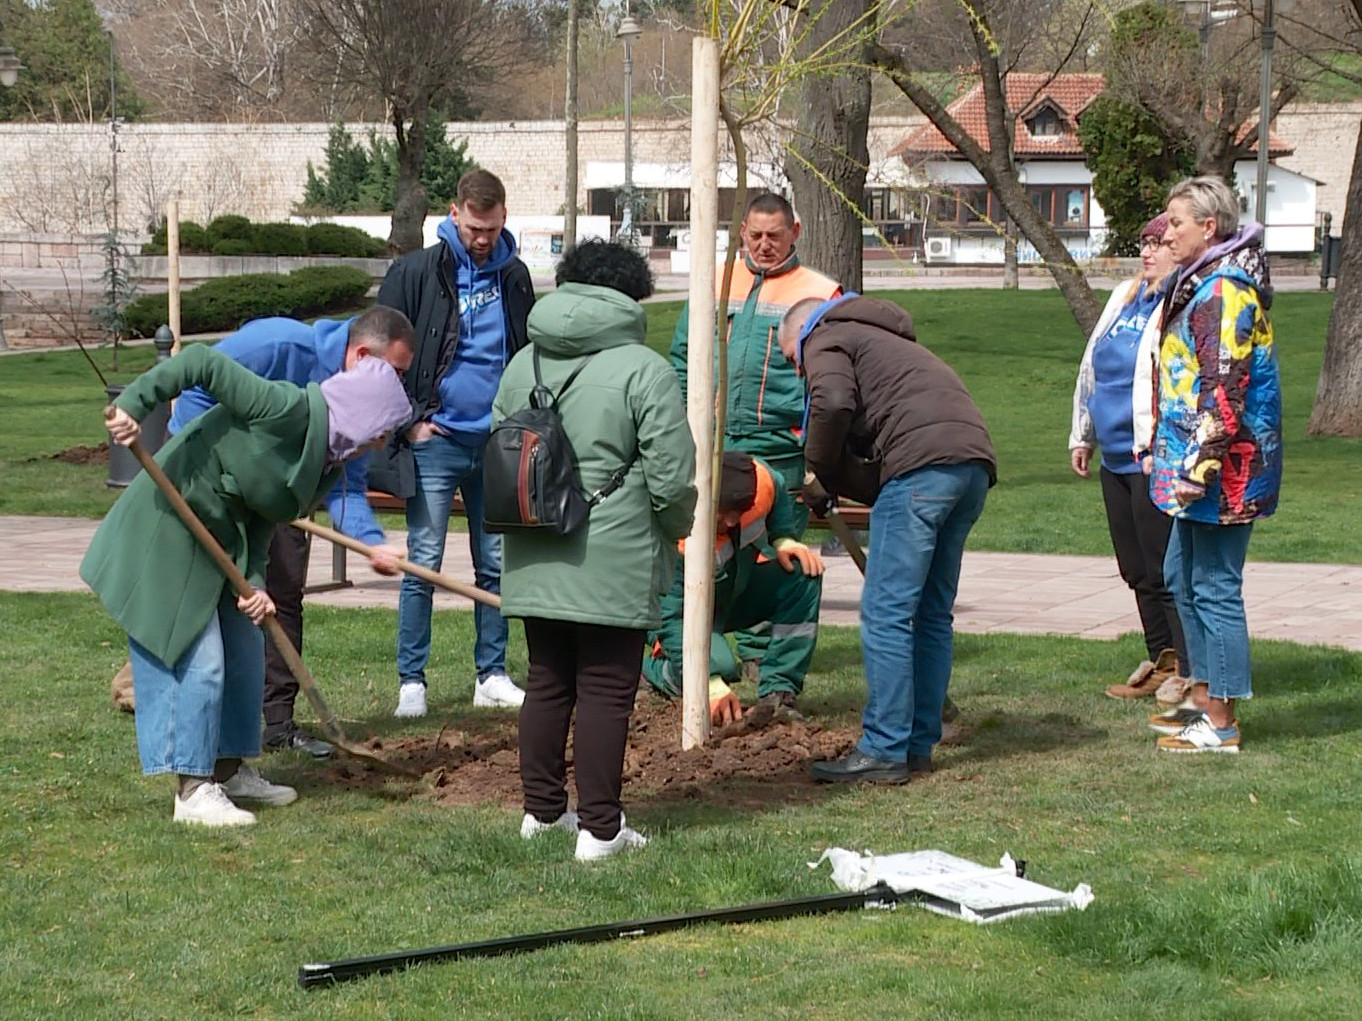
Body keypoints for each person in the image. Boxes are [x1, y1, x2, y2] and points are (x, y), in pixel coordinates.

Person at [81, 345, 411, 827]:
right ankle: (192, 789)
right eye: (380, 432)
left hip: (225, 542)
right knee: (199, 660)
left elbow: (264, 515)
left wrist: (254, 585)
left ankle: (228, 770)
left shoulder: (326, 461)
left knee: (245, 649)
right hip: (171, 523)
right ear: (360, 415)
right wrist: (133, 405)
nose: (380, 445)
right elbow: (200, 361)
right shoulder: (282, 407)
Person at [494, 240, 696, 862]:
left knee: (547, 682)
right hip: (614, 551)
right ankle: (601, 830)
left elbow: (499, 445)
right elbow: (671, 475)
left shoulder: (522, 362)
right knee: (607, 690)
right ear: (632, 295)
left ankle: (542, 813)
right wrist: (676, 528)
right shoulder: (645, 369)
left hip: (533, 545)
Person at [167, 307, 416, 757]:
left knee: (280, 596)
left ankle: (276, 725)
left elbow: (347, 485)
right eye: (396, 371)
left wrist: (371, 543)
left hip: (278, 496)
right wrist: (205, 469)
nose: (398, 385)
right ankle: (193, 728)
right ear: (362, 355)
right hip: (207, 483)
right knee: (211, 600)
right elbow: (197, 386)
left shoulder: (365, 401)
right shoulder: (277, 345)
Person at [779, 294, 996, 784]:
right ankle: (917, 745)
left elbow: (833, 402)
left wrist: (816, 470)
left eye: (793, 359)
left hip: (921, 468)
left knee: (887, 612)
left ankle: (883, 748)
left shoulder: (826, 335)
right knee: (932, 614)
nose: (798, 371)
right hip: (971, 466)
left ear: (801, 333)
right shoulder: (886, 339)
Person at [372, 169, 536, 718]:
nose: (482, 239)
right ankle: (411, 683)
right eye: (472, 228)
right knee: (423, 561)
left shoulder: (515, 276)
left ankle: (491, 674)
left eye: (491, 228)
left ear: (504, 218)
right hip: (435, 441)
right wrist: (409, 422)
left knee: (496, 564)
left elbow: (526, 352)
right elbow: (380, 351)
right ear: (454, 213)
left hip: (497, 444)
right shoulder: (416, 271)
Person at [668, 192, 840, 682]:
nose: (764, 245)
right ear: (741, 232)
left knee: (774, 554)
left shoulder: (819, 293)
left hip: (780, 450)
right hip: (713, 446)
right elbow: (683, 359)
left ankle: (765, 667)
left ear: (795, 233)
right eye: (756, 235)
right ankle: (695, 648)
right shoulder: (715, 283)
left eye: (775, 236)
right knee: (704, 553)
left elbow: (828, 381)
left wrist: (813, 450)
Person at [1147, 176, 1282, 754]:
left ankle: (1221, 722)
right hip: (1195, 463)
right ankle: (1202, 700)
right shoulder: (1200, 283)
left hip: (1225, 474)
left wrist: (1196, 470)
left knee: (1215, 586)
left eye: (1176, 222)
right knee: (1181, 576)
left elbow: (1224, 392)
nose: (1167, 232)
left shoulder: (1225, 292)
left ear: (1209, 227)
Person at [1069, 213, 1190, 703]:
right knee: (1135, 569)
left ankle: (1189, 668)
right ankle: (1161, 658)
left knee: (1164, 569)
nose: (1148, 252)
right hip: (1114, 456)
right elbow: (1092, 365)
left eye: (1158, 243)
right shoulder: (1124, 295)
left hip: (1152, 456)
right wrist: (1082, 433)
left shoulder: (1180, 301)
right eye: (1144, 243)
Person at [642, 451, 825, 724]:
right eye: (723, 513)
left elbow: (775, 484)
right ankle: (648, 673)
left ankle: (779, 691)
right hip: (674, 615)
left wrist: (784, 537)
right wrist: (708, 683)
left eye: (739, 511)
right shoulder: (678, 534)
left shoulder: (762, 482)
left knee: (803, 575)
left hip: (732, 595)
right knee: (721, 668)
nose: (731, 521)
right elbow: (669, 618)